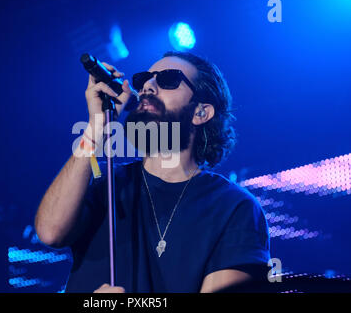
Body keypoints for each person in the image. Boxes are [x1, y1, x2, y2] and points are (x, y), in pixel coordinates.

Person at [35, 51, 270, 293]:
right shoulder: (104, 181)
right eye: (144, 79)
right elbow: (51, 232)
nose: (148, 85)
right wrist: (96, 126)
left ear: (201, 112)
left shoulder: (233, 206)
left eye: (168, 79)